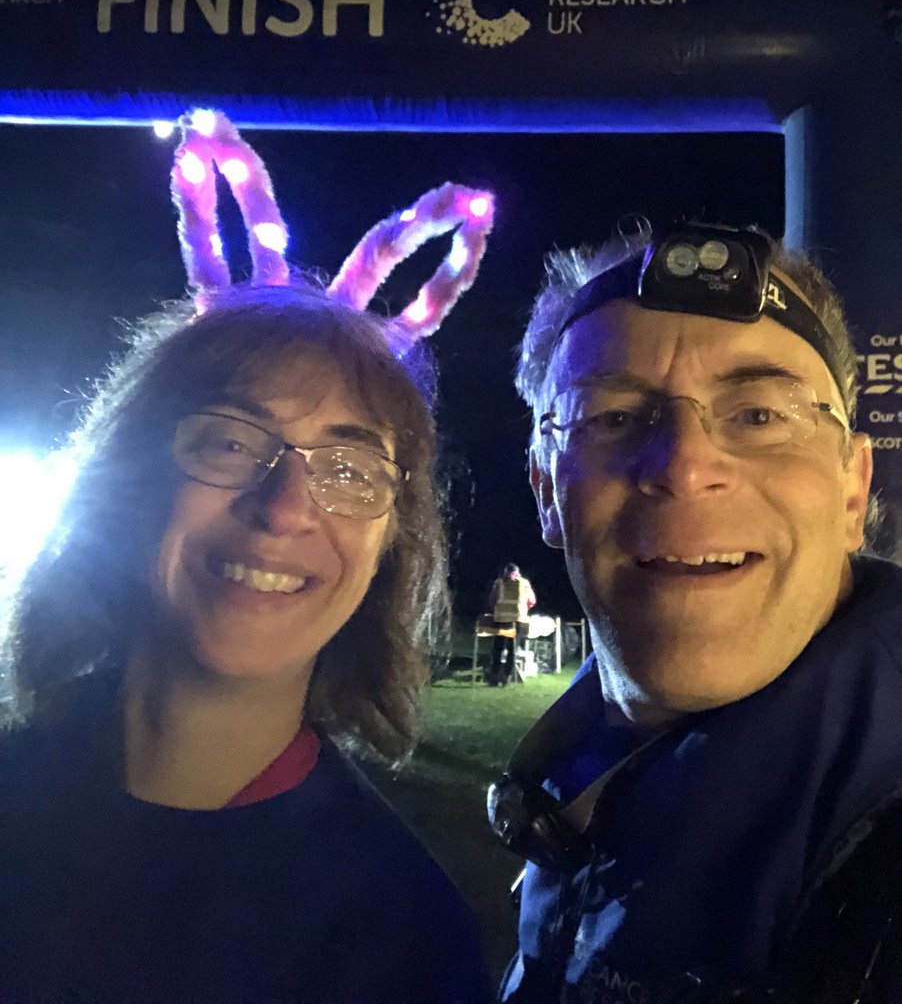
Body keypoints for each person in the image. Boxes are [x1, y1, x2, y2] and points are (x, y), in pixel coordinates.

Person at [0, 115, 493, 1003]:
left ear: (391, 546)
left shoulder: (403, 942)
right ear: (127, 474)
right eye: (230, 443)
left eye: (349, 469)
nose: (284, 510)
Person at [488, 223, 902, 1002]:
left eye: (759, 414)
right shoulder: (578, 775)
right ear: (547, 490)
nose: (683, 466)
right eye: (611, 417)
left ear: (854, 490)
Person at [487, 563, 537, 685]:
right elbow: (532, 601)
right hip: (517, 619)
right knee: (512, 649)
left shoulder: (499, 582)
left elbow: (492, 600)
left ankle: (494, 676)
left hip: (501, 619)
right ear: (518, 572)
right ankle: (507, 677)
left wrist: (497, 609)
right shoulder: (524, 583)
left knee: (498, 648)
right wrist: (523, 608)